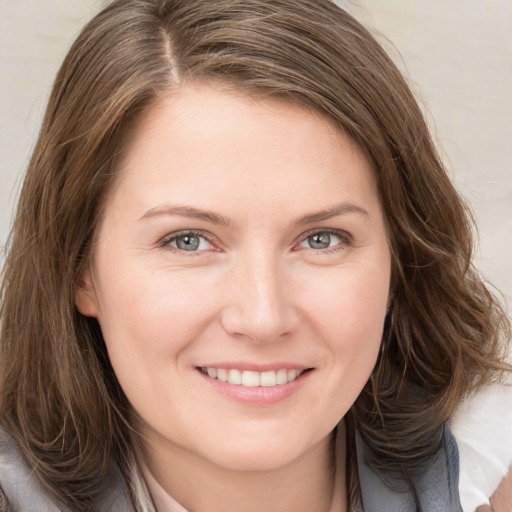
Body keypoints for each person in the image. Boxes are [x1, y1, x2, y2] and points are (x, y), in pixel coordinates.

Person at [0, 0, 510, 511]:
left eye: (321, 239)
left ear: (399, 262)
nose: (263, 318)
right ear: (80, 268)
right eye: (188, 241)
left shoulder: (488, 473)